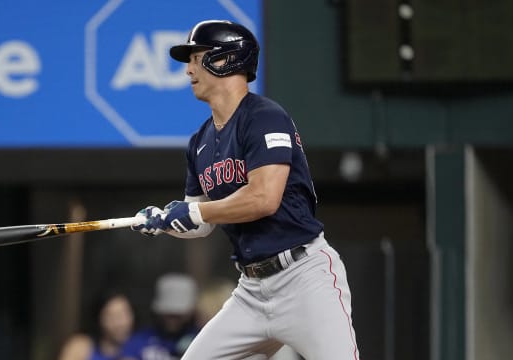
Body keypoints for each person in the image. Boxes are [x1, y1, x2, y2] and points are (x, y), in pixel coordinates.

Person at [131, 19, 360, 360]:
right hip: (252, 291)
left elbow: (264, 198)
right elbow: (201, 222)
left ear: (227, 59)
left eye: (197, 57)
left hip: (304, 278)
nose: (188, 69)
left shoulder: (265, 116)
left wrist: (194, 211)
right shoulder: (199, 142)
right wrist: (164, 221)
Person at [121, 273, 199, 360]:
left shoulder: (201, 340)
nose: (173, 318)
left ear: (191, 312)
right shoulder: (139, 341)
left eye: (178, 314)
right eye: (168, 312)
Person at [58, 291, 135, 360]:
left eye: (124, 314)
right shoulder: (82, 346)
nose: (120, 323)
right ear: (99, 319)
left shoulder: (138, 349)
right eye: (112, 316)